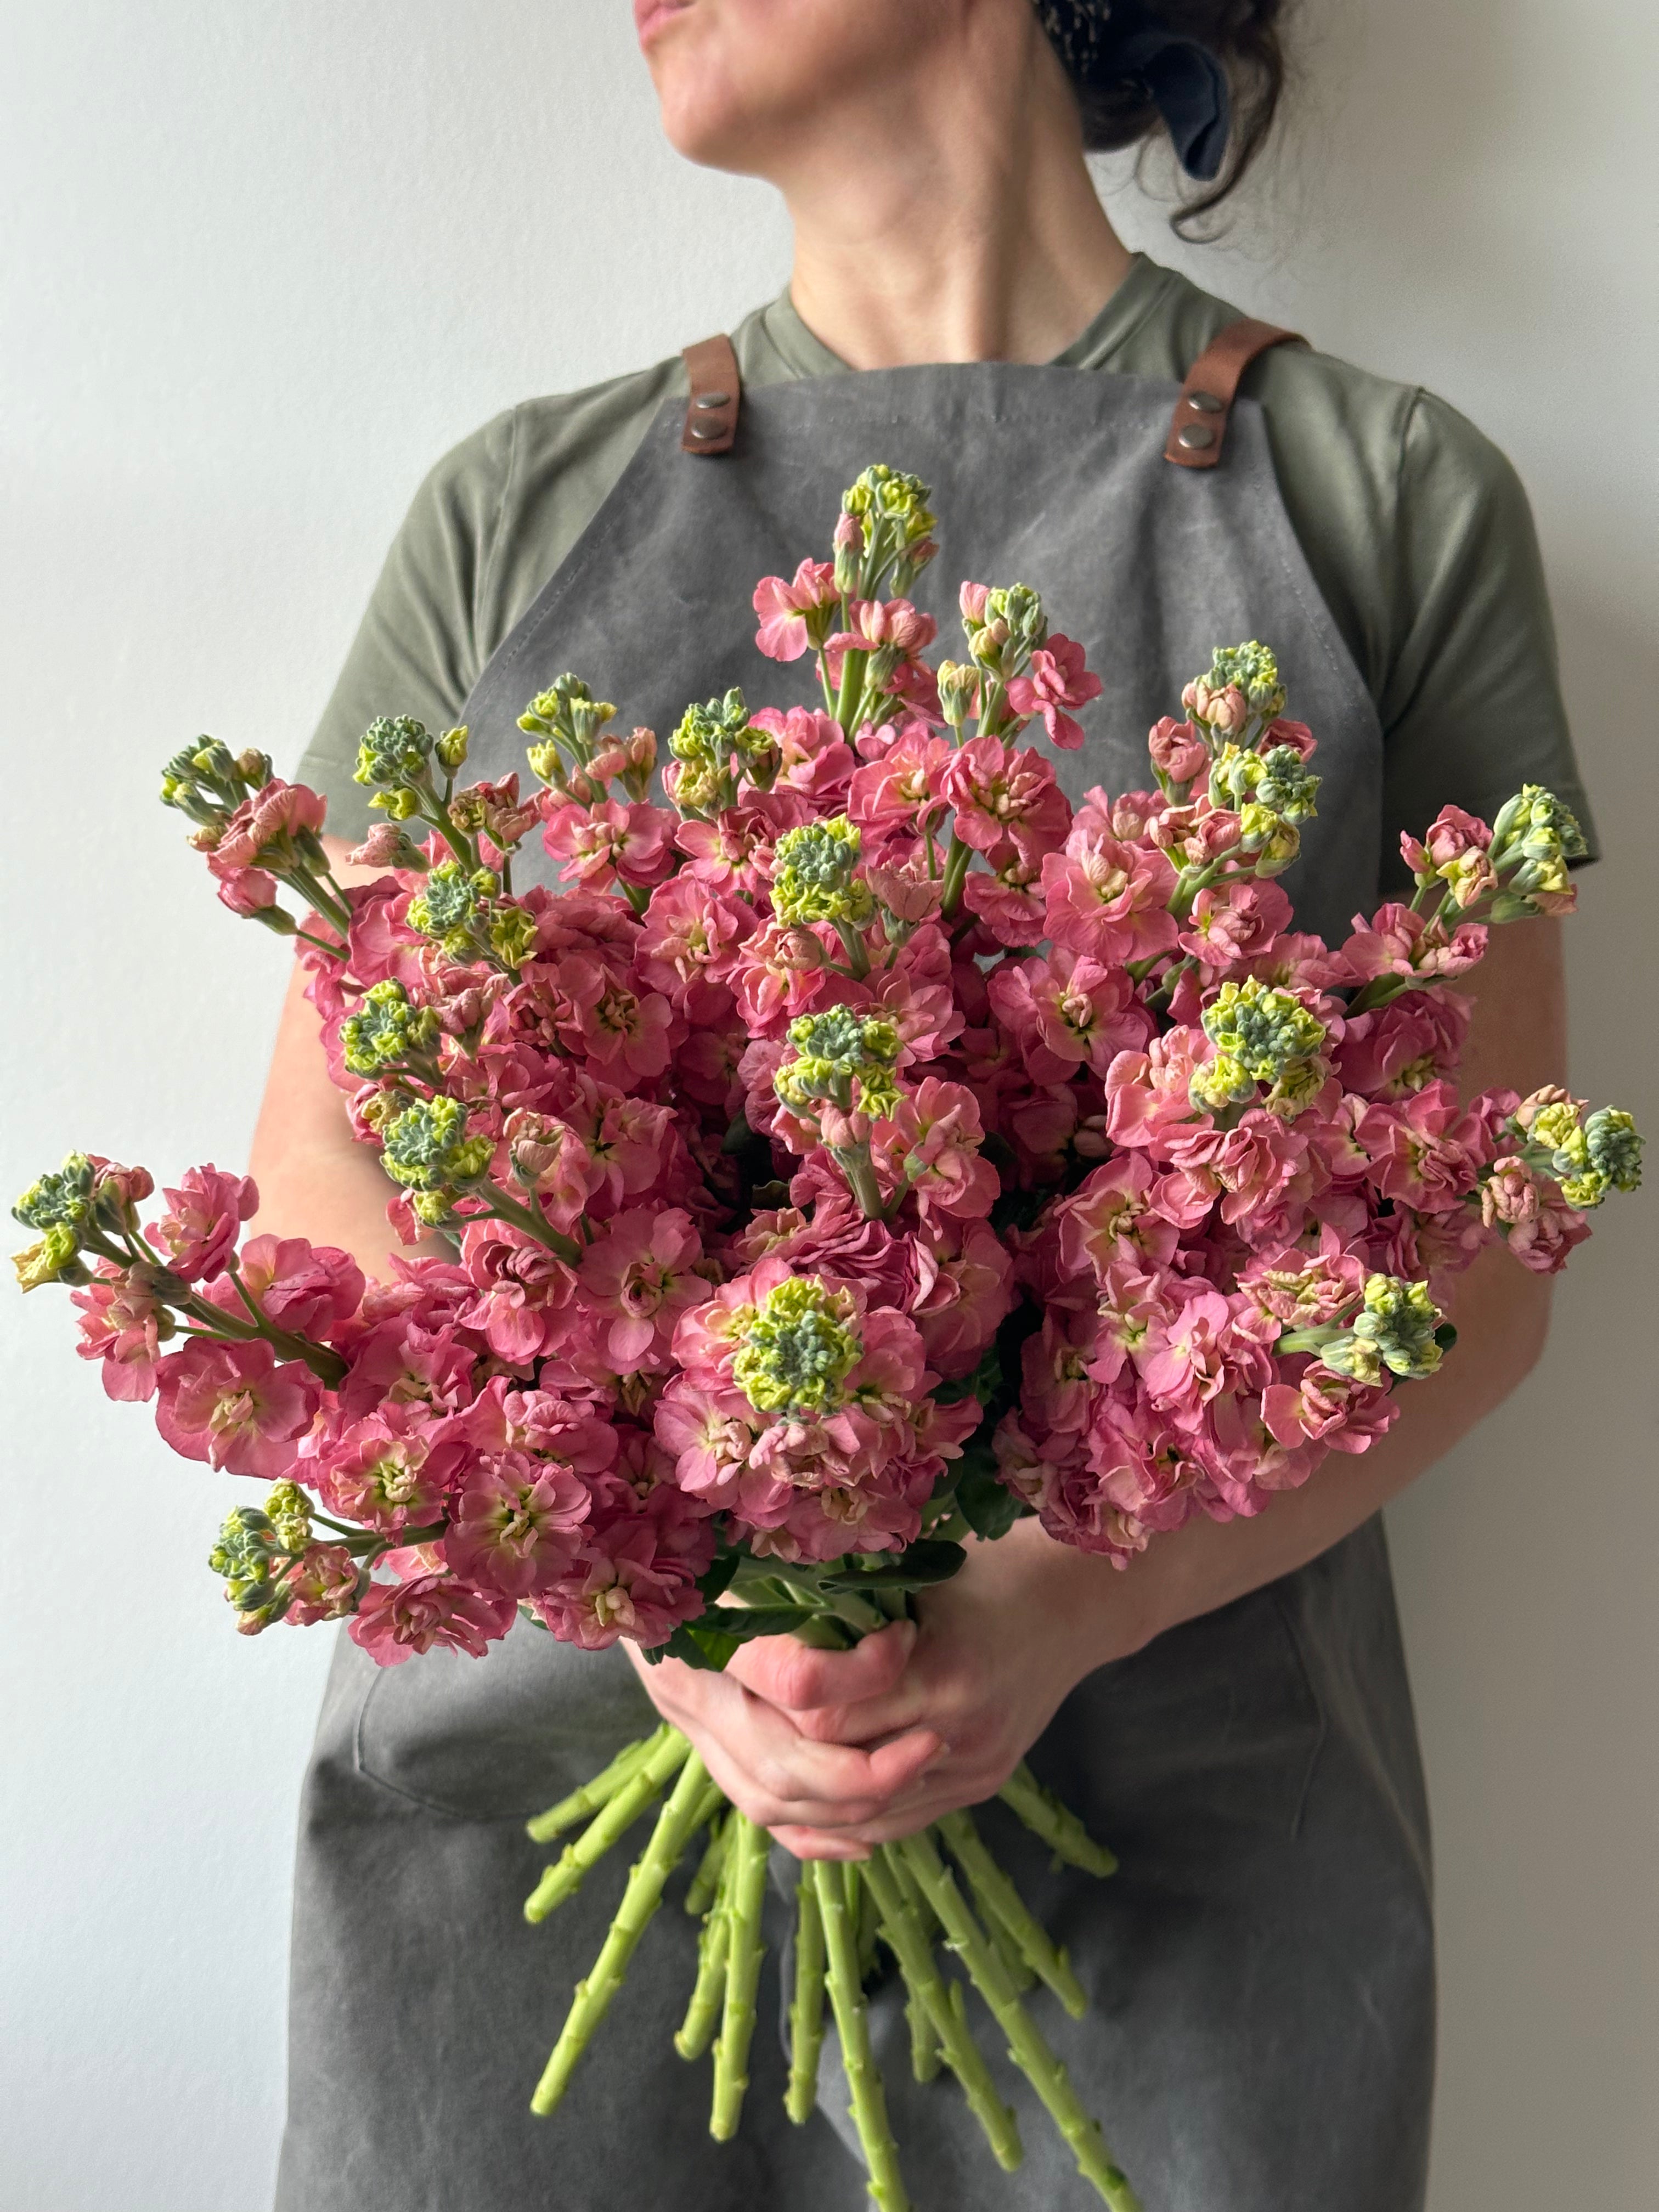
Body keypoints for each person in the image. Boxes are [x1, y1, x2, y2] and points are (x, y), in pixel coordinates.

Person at [257, 4, 1598, 2208]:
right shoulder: (516, 507)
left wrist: (1063, 1606)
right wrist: (672, 1601)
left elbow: (1487, 1228)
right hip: (527, 1853)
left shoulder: (1385, 496)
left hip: (1171, 1853)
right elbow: (329, 1164)